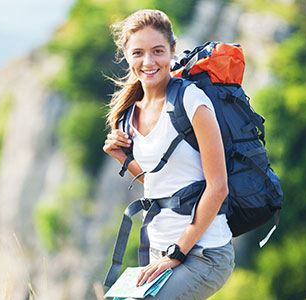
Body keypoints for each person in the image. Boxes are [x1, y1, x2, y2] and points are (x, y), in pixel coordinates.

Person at [103, 9, 235, 299]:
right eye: (138, 53)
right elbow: (162, 185)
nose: (148, 62)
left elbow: (218, 187)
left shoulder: (191, 101)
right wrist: (125, 160)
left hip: (204, 253)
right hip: (160, 253)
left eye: (158, 51)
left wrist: (177, 252)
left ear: (173, 50)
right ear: (126, 55)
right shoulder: (129, 113)